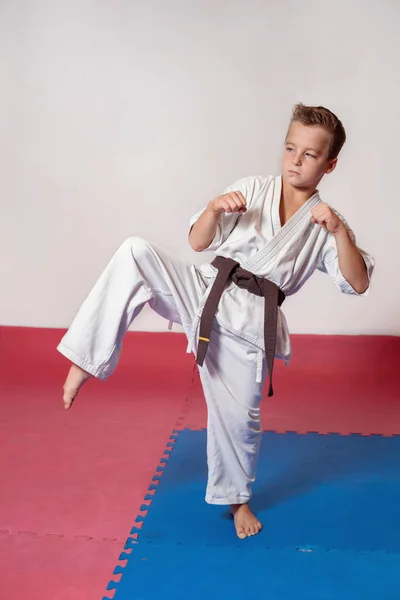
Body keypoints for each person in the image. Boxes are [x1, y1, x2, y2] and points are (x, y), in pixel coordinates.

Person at [58, 103, 374, 540]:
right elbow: (197, 241)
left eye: (310, 155)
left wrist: (340, 234)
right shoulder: (252, 188)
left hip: (250, 325)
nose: (296, 161)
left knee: (240, 419)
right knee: (135, 252)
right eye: (290, 149)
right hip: (206, 291)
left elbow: (357, 283)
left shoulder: (325, 224)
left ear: (330, 164)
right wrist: (213, 208)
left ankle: (237, 499)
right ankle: (85, 358)